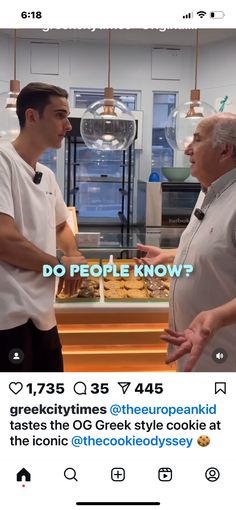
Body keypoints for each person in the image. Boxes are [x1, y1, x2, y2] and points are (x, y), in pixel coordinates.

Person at [137, 113, 236, 372]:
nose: (187, 149)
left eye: (198, 140)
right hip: (195, 348)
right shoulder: (209, 191)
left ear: (225, 151)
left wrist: (217, 317)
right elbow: (220, 248)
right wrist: (172, 254)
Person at [0, 82, 85, 372]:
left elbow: (62, 227)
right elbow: (5, 240)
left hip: (44, 315)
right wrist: (60, 266)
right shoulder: (3, 162)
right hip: (8, 318)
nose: (68, 125)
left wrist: (73, 256)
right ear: (32, 116)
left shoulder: (46, 175)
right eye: (60, 115)